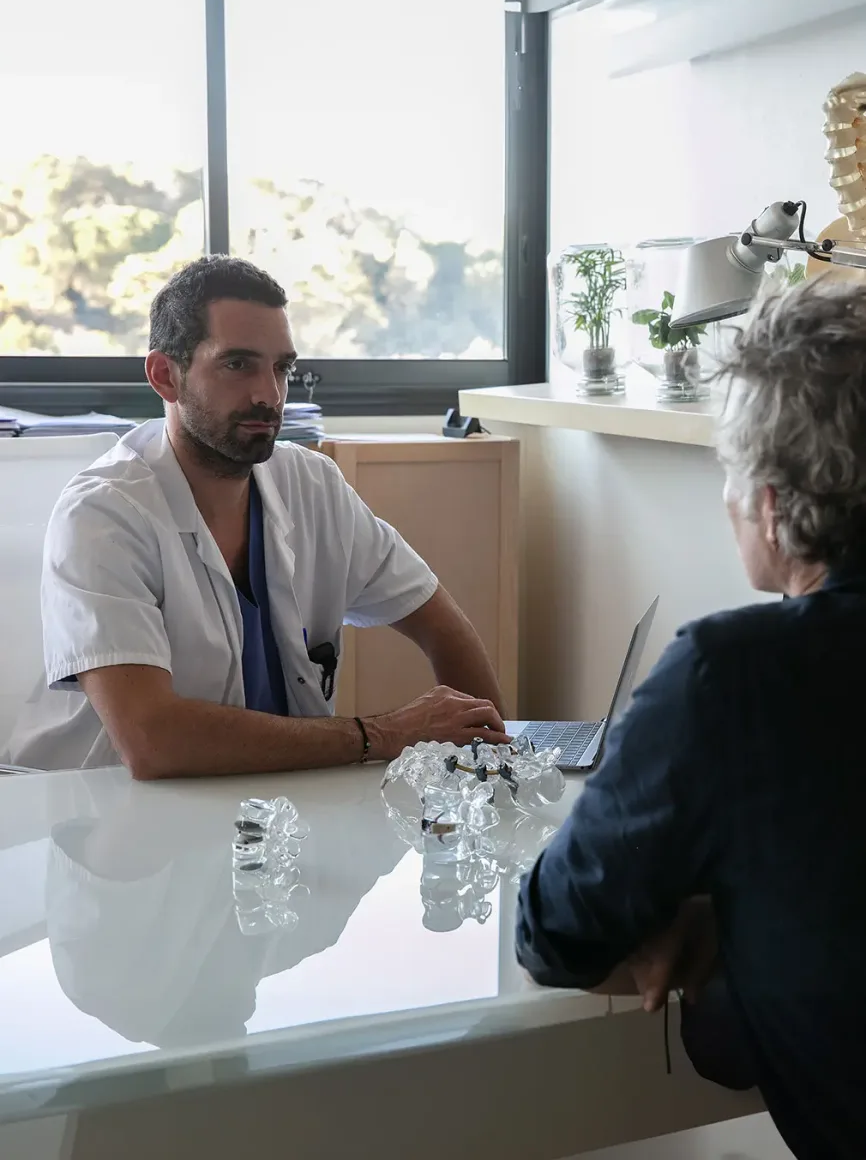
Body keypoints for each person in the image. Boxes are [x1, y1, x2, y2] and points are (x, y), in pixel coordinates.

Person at [516, 278, 866, 1160]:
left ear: (774, 507)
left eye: (729, 471)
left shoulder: (735, 674)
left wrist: (710, 914)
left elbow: (555, 932)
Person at [9, 256, 507, 776]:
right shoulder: (102, 515)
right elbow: (152, 740)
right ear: (165, 376)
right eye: (238, 364)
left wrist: (495, 766)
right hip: (98, 814)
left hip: (260, 812)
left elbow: (442, 626)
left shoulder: (313, 486)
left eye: (282, 368)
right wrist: (383, 735)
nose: (269, 395)